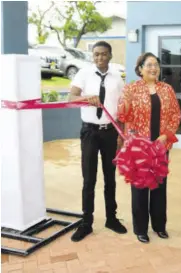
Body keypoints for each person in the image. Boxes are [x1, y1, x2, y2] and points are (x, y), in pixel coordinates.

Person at [117, 52, 181, 243]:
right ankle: (140, 229)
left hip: (160, 145)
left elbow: (176, 115)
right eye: (149, 65)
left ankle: (159, 226)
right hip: (138, 146)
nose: (153, 68)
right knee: (140, 187)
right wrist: (125, 101)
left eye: (156, 65)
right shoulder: (131, 89)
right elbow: (123, 117)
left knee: (159, 186)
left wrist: (165, 135)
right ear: (140, 69)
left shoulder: (167, 89)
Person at [69, 41, 127, 242]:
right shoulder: (83, 74)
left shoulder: (117, 79)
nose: (100, 57)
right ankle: (86, 223)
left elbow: (120, 109)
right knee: (89, 179)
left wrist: (121, 134)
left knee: (110, 178)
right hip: (90, 132)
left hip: (110, 133)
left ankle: (111, 218)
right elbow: (71, 97)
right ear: (92, 56)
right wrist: (86, 98)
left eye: (103, 54)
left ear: (110, 56)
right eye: (96, 54)